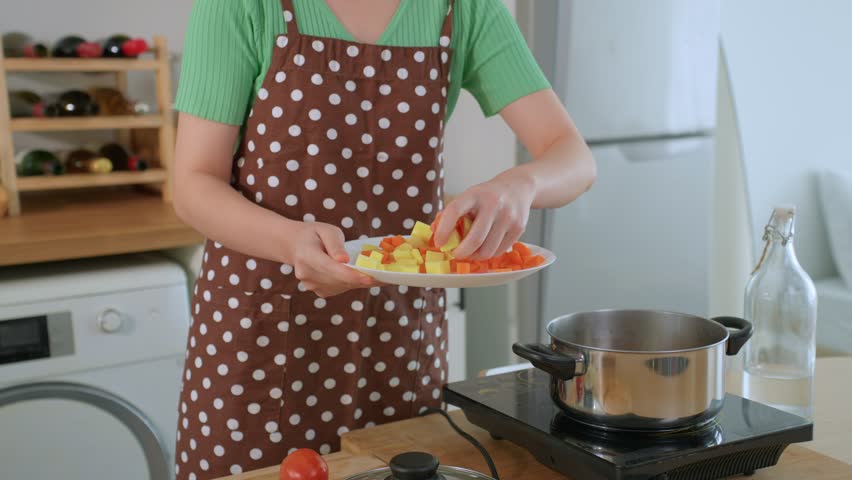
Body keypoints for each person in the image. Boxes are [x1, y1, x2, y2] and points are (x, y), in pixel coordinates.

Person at [171, 0, 596, 478]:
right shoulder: (243, 7)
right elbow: (191, 184)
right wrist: (292, 242)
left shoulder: (465, 9)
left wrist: (523, 183)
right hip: (261, 330)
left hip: (398, 332)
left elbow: (573, 156)